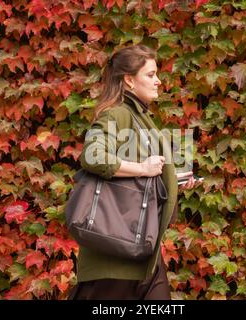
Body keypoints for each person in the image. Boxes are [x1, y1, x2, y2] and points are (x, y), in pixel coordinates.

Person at [67, 44, 200, 300]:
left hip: (145, 253)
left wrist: (175, 182)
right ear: (129, 80)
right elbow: (93, 156)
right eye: (150, 75)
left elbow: (146, 181)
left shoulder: (143, 118)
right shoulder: (117, 114)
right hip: (115, 257)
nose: (158, 81)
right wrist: (143, 167)